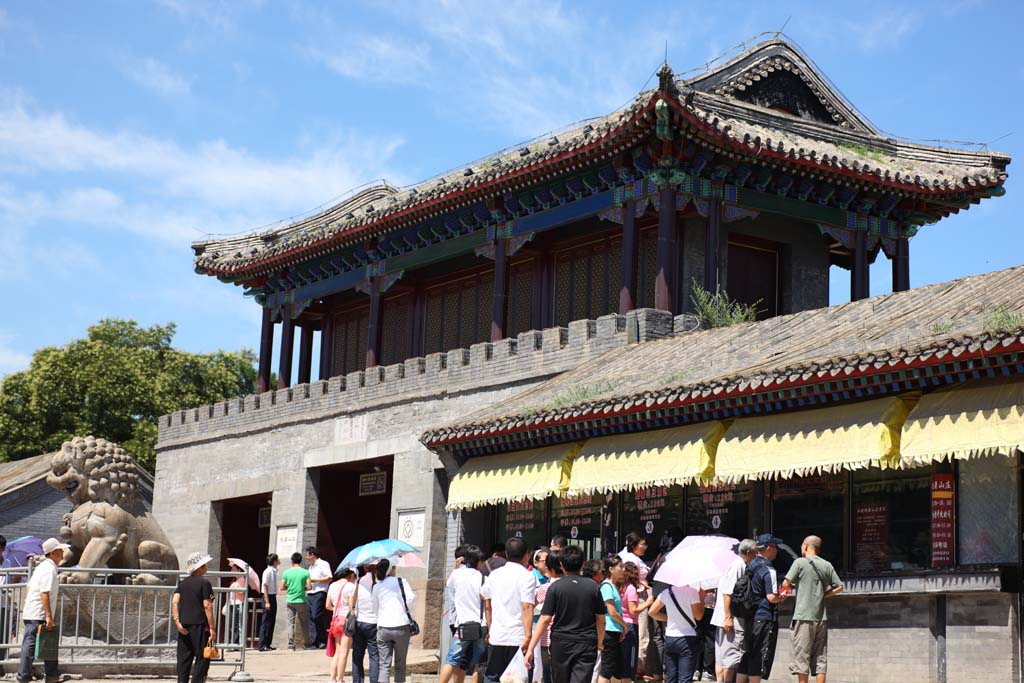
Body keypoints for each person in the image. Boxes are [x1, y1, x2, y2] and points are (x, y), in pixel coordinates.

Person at [525, 545, 605, 683]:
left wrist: (531, 647)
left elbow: (544, 619)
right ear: (582, 564)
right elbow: (601, 620)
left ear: (561, 565)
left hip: (561, 644)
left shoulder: (555, 587)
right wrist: (600, 642)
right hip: (586, 643)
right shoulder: (593, 587)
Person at [781, 536, 844, 683]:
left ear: (806, 546)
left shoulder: (799, 562)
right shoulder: (827, 565)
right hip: (821, 617)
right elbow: (840, 587)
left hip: (803, 617)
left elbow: (785, 583)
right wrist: (824, 594)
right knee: (820, 659)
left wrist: (790, 587)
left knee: (802, 658)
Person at [480, 537, 538, 683]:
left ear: (506, 553)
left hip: (497, 634)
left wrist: (490, 624)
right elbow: (526, 606)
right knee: (517, 678)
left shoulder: (495, 574)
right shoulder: (527, 576)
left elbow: (483, 595)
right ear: (527, 554)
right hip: (518, 636)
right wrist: (528, 636)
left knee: (492, 676)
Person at [18, 537, 68, 683]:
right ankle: (24, 676)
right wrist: (48, 616)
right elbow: (44, 593)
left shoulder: (42, 567)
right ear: (52, 553)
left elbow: (28, 587)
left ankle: (51, 675)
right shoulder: (49, 569)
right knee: (32, 645)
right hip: (39, 614)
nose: (62, 554)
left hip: (33, 611)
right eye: (59, 551)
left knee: (47, 643)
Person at [709, 539, 756, 683]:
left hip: (723, 617)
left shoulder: (735, 564)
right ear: (748, 553)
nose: (756, 557)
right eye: (754, 553)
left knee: (722, 655)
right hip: (730, 618)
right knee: (730, 655)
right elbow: (727, 593)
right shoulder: (738, 566)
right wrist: (728, 617)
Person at [743, 535, 786, 683]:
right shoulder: (769, 570)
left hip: (750, 615)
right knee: (759, 655)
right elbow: (771, 597)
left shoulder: (750, 565)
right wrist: (782, 596)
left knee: (748, 652)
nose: (776, 551)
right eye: (775, 547)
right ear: (768, 548)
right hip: (765, 616)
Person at [442, 545, 486, 683]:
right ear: (479, 561)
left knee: (452, 659)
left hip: (462, 626)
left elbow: (447, 584)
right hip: (481, 625)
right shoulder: (483, 578)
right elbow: (488, 603)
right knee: (478, 663)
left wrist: (455, 567)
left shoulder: (456, 574)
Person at [173, 551, 216, 683]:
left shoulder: (183, 583)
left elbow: (175, 601)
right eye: (205, 564)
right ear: (200, 567)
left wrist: (177, 621)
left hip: (184, 625)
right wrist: (212, 628)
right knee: (203, 658)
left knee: (184, 659)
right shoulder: (204, 583)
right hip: (200, 625)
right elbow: (207, 605)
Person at [648, 583, 705, 683]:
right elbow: (699, 616)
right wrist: (702, 599)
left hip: (670, 637)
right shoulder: (692, 592)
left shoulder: (666, 592)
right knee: (684, 678)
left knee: (671, 677)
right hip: (687, 637)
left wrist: (668, 618)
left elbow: (652, 612)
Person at [373, 559, 416, 683]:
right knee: (400, 663)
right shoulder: (402, 581)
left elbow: (375, 607)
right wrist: (407, 611)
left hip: (383, 627)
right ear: (390, 569)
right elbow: (411, 599)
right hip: (401, 625)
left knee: (384, 664)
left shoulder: (377, 586)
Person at [533, 549, 564, 683]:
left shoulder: (545, 588)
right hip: (569, 639)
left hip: (547, 639)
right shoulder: (574, 586)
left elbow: (531, 607)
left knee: (548, 675)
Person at [619, 561, 653, 683]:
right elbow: (633, 611)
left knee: (621, 660)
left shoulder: (619, 587)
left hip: (620, 624)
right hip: (630, 626)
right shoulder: (631, 589)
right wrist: (647, 603)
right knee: (630, 662)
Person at [597, 556, 627, 683]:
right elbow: (612, 612)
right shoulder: (607, 587)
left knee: (616, 668)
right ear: (611, 569)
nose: (623, 569)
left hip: (614, 631)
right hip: (608, 631)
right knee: (607, 668)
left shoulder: (612, 586)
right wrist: (625, 625)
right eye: (620, 566)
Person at [351, 563, 380, 683]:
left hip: (359, 621)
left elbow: (353, 601)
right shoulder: (380, 582)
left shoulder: (359, 581)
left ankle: (357, 681)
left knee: (357, 655)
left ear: (364, 568)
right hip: (374, 622)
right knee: (374, 656)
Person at [327, 568, 357, 683]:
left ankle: (332, 678)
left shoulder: (332, 585)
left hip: (335, 620)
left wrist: (337, 610)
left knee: (338, 651)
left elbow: (327, 605)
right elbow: (351, 605)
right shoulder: (350, 586)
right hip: (346, 620)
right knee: (344, 652)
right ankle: (340, 679)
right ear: (350, 576)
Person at [280, 552, 312, 651]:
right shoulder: (305, 572)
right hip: (301, 600)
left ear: (292, 561)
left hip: (290, 600)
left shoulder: (286, 573)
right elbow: (309, 587)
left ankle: (291, 646)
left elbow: (281, 587)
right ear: (301, 561)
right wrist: (302, 588)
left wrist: (289, 587)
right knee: (304, 623)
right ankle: (307, 644)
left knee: (291, 623)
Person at [307, 547, 333, 649]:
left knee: (316, 616)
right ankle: (315, 642)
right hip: (310, 593)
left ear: (312, 555)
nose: (306, 557)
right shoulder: (310, 567)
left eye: (307, 555)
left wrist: (315, 580)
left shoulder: (323, 564)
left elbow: (329, 578)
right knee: (311, 618)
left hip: (319, 592)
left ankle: (323, 640)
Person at [259, 553, 280, 651]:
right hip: (268, 596)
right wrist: (267, 601)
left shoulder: (274, 571)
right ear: (274, 561)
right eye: (277, 559)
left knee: (271, 621)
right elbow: (265, 586)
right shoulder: (268, 571)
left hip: (273, 596)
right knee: (266, 621)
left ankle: (268, 643)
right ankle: (262, 644)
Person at [226, 561, 247, 646]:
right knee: (232, 624)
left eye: (233, 569)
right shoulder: (235, 580)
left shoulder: (242, 579)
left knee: (237, 624)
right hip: (232, 603)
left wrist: (237, 588)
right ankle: (233, 642)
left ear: (239, 570)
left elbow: (242, 592)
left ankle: (237, 643)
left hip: (238, 603)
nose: (232, 570)